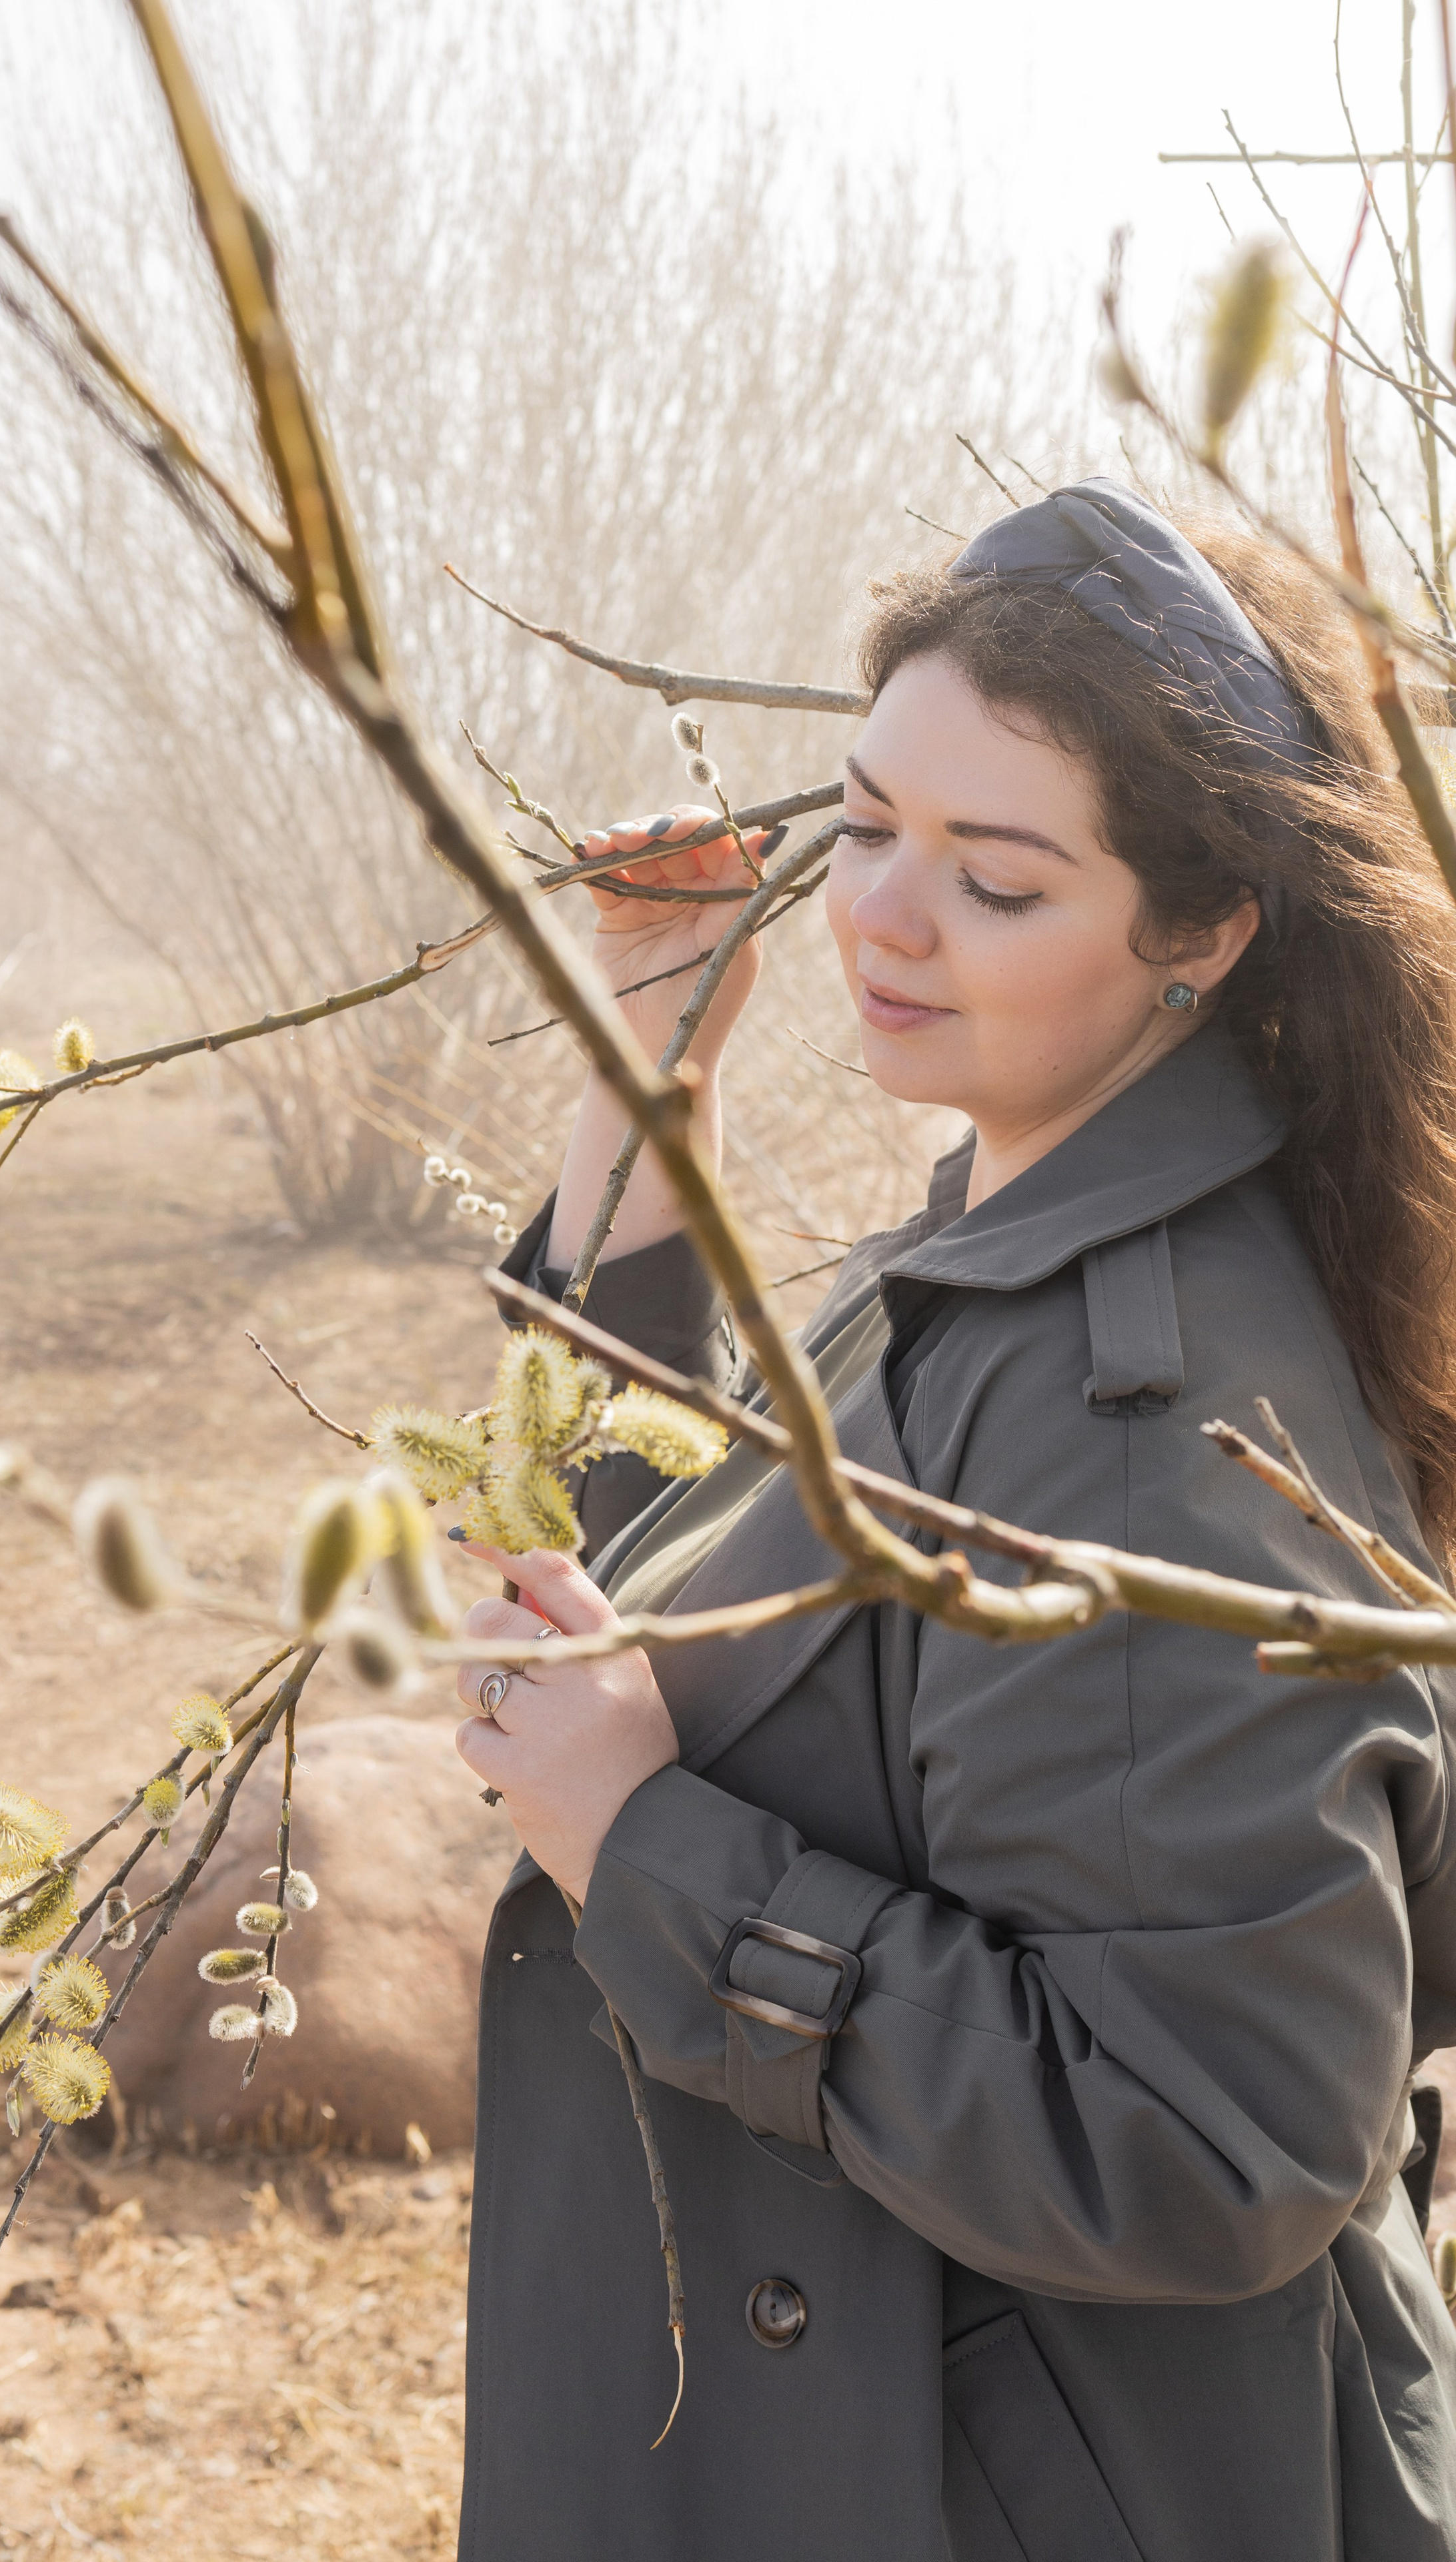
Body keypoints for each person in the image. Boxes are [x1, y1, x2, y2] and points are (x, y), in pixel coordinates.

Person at [450, 480, 1456, 2561]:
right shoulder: (1026, 1221)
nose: (882, 919)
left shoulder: (1143, 1420)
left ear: (1206, 932)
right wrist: (651, 1053)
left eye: (996, 881)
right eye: (866, 824)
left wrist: (644, 1851)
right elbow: (723, 1615)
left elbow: (1210, 2136)